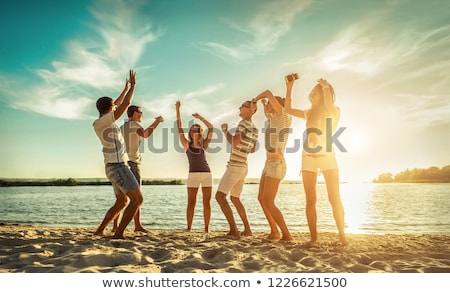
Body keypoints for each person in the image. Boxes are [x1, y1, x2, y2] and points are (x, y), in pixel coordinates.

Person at [285, 76, 348, 245]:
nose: (311, 94)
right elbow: (288, 109)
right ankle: (313, 238)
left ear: (322, 95)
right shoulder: (308, 113)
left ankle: (342, 235)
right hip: (308, 158)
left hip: (328, 158)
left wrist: (325, 87)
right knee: (310, 200)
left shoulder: (333, 111)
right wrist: (289, 86)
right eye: (311, 92)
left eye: (315, 92)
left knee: (334, 198)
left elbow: (328, 104)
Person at [92, 69, 143, 239]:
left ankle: (100, 231)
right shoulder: (105, 120)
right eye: (113, 105)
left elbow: (119, 102)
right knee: (137, 200)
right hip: (119, 166)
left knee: (122, 202)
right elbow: (125, 104)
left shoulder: (99, 121)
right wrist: (133, 86)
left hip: (113, 167)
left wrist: (125, 88)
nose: (116, 106)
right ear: (110, 108)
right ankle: (119, 234)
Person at [110, 106, 164, 233]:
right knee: (136, 196)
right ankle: (137, 226)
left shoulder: (122, 127)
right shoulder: (134, 124)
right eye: (140, 112)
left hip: (121, 162)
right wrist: (157, 122)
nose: (142, 114)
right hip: (132, 163)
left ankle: (115, 225)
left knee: (121, 198)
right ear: (134, 114)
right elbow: (146, 134)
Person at [252, 89, 293, 241]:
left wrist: (256, 99)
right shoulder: (275, 118)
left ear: (276, 105)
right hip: (269, 163)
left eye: (270, 104)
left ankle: (287, 234)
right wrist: (263, 104)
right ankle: (274, 231)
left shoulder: (282, 115)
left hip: (276, 163)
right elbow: (268, 115)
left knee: (269, 200)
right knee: (261, 198)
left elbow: (268, 92)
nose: (268, 106)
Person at [215, 100, 258, 237]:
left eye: (243, 106)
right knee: (235, 198)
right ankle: (247, 230)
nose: (240, 107)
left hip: (235, 165)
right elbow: (252, 149)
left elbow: (234, 143)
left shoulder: (243, 124)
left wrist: (225, 131)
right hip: (244, 167)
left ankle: (234, 230)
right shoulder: (254, 128)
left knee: (220, 196)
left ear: (251, 109)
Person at [175, 101, 213, 232]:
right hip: (193, 175)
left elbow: (211, 128)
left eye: (197, 131)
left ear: (200, 132)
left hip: (207, 175)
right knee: (191, 203)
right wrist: (178, 110)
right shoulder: (187, 145)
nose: (194, 133)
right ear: (190, 133)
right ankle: (189, 228)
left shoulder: (204, 145)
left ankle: (206, 228)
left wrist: (200, 118)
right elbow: (179, 128)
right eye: (192, 131)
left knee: (206, 203)